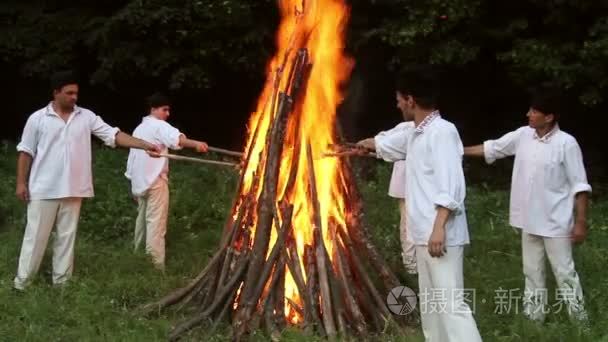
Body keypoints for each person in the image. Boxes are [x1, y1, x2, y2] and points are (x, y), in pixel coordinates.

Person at [358, 68, 482, 342]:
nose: (398, 104)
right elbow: (388, 145)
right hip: (422, 232)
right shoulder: (415, 133)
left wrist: (439, 228)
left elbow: (452, 185)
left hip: (440, 233)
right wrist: (365, 146)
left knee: (450, 304)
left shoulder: (443, 132)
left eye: (400, 99)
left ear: (411, 99)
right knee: (431, 305)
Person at [14, 71, 160, 290]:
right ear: (56, 93)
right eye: (69, 93)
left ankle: (62, 284)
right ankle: (22, 284)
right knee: (35, 238)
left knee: (67, 238)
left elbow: (113, 135)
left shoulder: (86, 116)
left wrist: (145, 145)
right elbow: (26, 152)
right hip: (43, 188)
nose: (74, 97)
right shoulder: (37, 118)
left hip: (74, 188)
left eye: (76, 93)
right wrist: (21, 183)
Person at [463, 87, 591, 322]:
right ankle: (534, 319)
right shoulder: (523, 135)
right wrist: (458, 151)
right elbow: (494, 148)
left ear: (549, 117)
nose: (528, 114)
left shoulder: (566, 143)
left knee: (565, 273)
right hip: (529, 220)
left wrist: (581, 222)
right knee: (532, 272)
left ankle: (580, 322)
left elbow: (580, 186)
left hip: (556, 222)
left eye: (534, 111)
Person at [125, 93, 209, 270]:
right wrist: (196, 144)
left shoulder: (139, 129)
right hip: (155, 181)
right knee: (156, 225)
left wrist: (132, 182)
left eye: (168, 110)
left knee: (142, 222)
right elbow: (176, 139)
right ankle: (154, 268)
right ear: (153, 109)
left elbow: (131, 159)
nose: (167, 113)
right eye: (164, 109)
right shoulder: (158, 126)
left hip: (140, 183)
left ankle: (137, 258)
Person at [362, 122, 417, 274]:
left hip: (421, 187)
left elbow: (384, 143)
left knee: (416, 226)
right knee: (407, 225)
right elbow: (386, 137)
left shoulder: (422, 130)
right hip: (406, 187)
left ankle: (418, 265)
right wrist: (370, 145)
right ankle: (412, 265)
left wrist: (371, 144)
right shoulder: (407, 126)